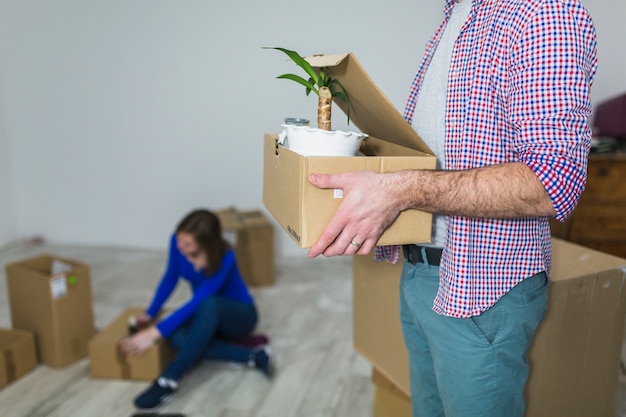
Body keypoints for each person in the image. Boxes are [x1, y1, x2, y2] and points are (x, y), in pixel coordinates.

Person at [307, 0, 597, 416]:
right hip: (421, 271)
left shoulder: (543, 13)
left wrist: (402, 189)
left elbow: (551, 183)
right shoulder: (458, 13)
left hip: (482, 286)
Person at [119, 209, 274, 411]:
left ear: (206, 244)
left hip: (239, 316)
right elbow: (170, 278)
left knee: (209, 303)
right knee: (176, 338)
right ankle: (252, 356)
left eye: (188, 244)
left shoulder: (226, 257)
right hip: (206, 316)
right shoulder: (178, 243)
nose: (180, 247)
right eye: (180, 241)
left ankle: (169, 379)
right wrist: (151, 312)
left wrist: (153, 333)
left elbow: (200, 300)